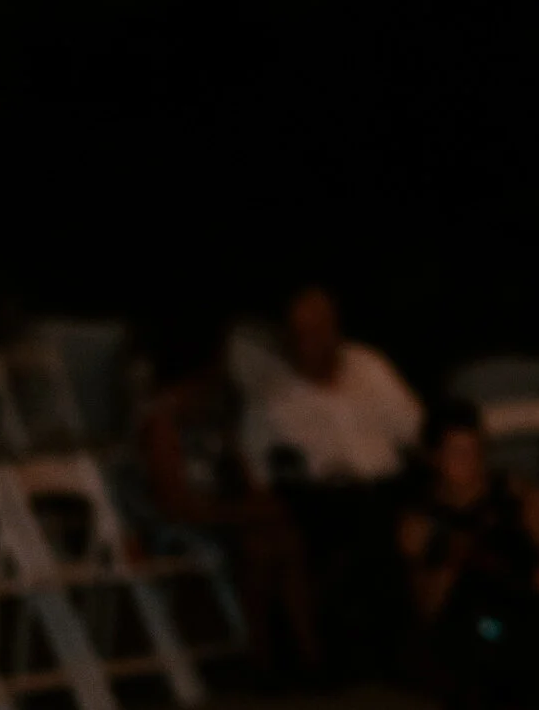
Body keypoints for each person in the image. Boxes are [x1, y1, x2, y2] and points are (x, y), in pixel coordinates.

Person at [230, 286, 425, 681]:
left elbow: (415, 430)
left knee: (411, 515)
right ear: (289, 338)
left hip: (388, 485)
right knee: (358, 526)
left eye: (324, 327)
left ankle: (417, 646)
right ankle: (365, 654)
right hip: (321, 499)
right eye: (306, 331)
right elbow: (256, 466)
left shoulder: (368, 366)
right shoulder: (273, 391)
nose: (319, 340)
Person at [130, 313, 321, 683]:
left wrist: (259, 503)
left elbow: (240, 470)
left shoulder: (213, 413)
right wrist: (239, 514)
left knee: (282, 533)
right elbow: (174, 503)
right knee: (256, 543)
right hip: (177, 522)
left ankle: (306, 653)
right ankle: (267, 658)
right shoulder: (161, 420)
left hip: (219, 511)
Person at [395, 409, 539, 710]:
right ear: (434, 457)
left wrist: (532, 571)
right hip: (462, 635)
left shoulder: (515, 497)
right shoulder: (420, 520)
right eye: (458, 453)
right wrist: (452, 555)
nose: (470, 463)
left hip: (521, 620)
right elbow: (426, 610)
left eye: (476, 451)